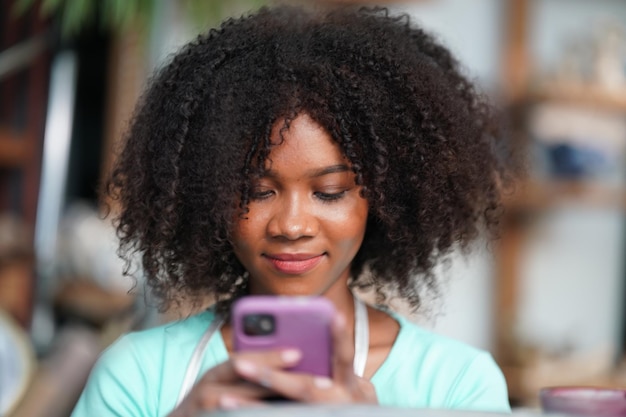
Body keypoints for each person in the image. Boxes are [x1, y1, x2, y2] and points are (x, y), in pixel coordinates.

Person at [72, 4, 516, 416]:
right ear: (209, 195)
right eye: (256, 192)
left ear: (382, 197)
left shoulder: (457, 385)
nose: (292, 225)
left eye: (329, 191)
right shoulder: (137, 376)